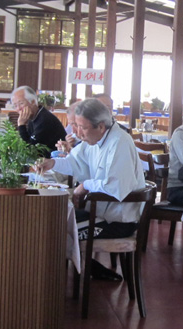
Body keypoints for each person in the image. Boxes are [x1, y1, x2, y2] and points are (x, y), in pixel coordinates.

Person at [35, 98, 145, 280]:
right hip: (100, 214)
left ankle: (53, 282)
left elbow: (115, 186)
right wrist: (52, 163)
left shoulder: (119, 142)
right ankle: (88, 268)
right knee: (52, 222)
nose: (77, 133)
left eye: (82, 127)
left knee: (55, 232)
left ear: (100, 126)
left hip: (117, 221)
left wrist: (85, 185)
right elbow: (74, 162)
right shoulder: (94, 140)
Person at [11, 85, 67, 153]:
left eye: (21, 103)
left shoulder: (44, 119)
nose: (18, 108)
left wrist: (21, 125)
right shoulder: (34, 116)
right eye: (15, 106)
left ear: (33, 102)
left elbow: (30, 150)